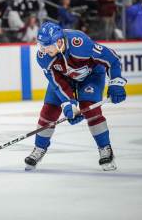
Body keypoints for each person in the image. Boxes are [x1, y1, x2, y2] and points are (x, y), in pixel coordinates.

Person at [25, 21, 126, 171]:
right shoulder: (43, 57)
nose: (44, 50)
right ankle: (39, 148)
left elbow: (112, 58)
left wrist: (116, 82)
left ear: (59, 42)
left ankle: (105, 149)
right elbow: (57, 82)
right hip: (64, 79)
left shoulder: (79, 43)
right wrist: (69, 104)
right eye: (41, 45)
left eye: (47, 45)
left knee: (90, 109)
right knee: (49, 110)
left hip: (91, 76)